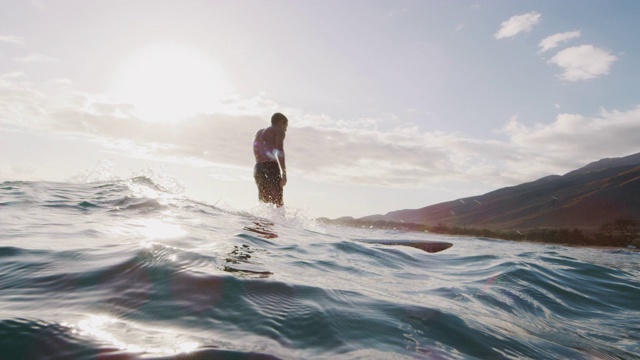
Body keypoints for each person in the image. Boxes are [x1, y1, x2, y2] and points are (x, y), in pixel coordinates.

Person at [253, 112, 288, 207]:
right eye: (286, 125)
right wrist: (284, 173)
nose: (286, 129)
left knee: (264, 203)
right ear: (281, 122)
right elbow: (280, 151)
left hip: (258, 168)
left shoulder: (259, 132)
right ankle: (281, 222)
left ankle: (260, 222)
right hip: (270, 167)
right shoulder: (278, 131)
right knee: (278, 201)